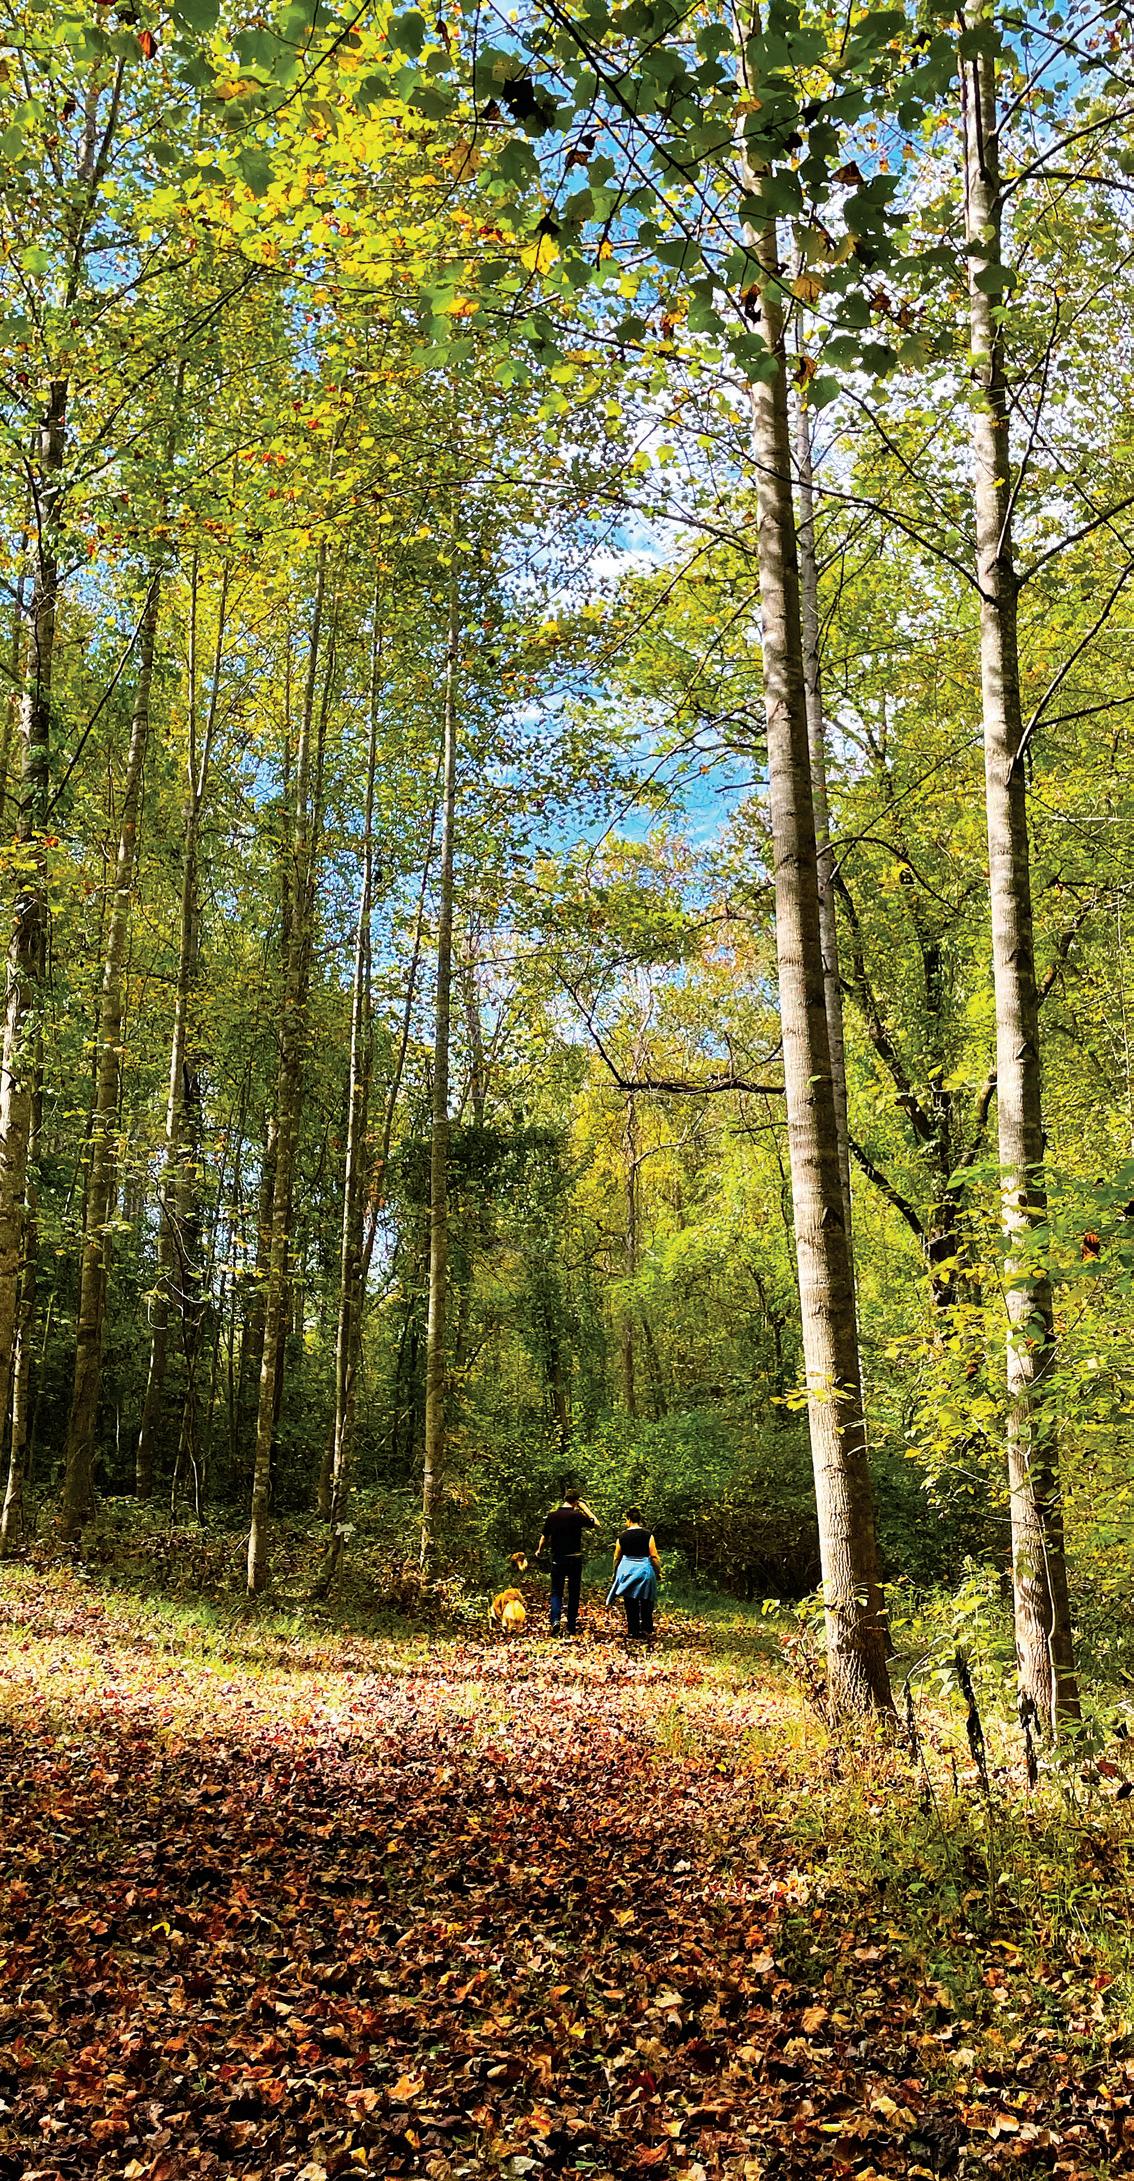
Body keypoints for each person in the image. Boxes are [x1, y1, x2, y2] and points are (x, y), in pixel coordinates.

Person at [535, 1487, 599, 1637]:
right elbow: (596, 1524)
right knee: (573, 1592)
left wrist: (539, 1550)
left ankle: (555, 1620)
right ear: (576, 1501)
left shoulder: (552, 1516)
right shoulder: (577, 1516)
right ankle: (571, 1625)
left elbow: (544, 1537)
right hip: (574, 1558)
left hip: (558, 1558)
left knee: (556, 1591)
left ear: (564, 1499)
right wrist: (585, 1509)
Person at [607, 1506, 661, 1640]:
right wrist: (658, 1571)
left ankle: (633, 1629)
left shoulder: (622, 1536)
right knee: (647, 1599)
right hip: (644, 1570)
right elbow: (654, 1556)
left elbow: (617, 1557)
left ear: (628, 1520)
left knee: (630, 1601)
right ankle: (647, 1627)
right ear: (640, 1520)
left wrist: (614, 1572)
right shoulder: (648, 1535)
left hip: (627, 1571)